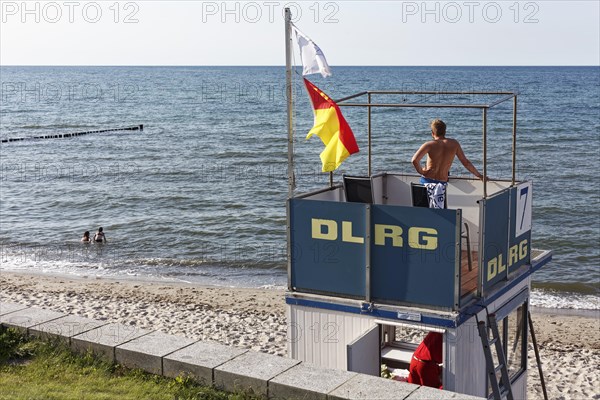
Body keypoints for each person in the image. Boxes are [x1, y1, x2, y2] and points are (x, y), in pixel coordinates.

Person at [411, 119, 485, 208]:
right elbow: (465, 162)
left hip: (426, 182)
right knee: (441, 215)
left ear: (432, 132)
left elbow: (414, 160)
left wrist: (421, 172)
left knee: (423, 214)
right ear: (445, 131)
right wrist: (479, 175)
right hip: (441, 184)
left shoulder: (429, 144)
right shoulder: (454, 144)